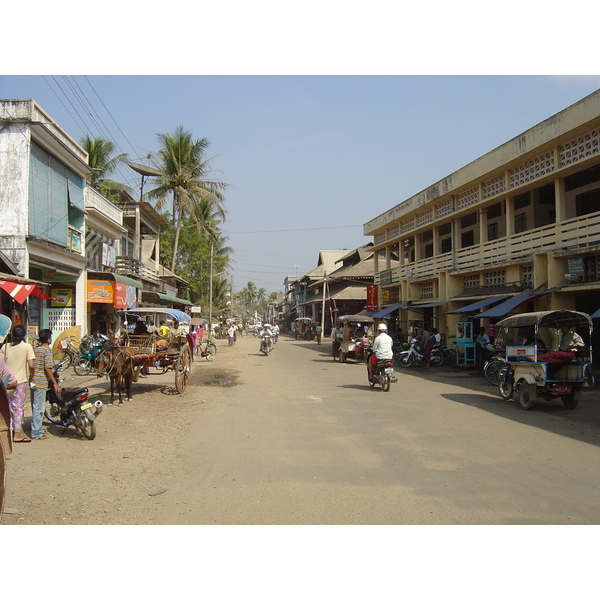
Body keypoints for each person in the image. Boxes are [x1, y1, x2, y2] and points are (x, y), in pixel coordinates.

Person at [1, 324, 35, 442]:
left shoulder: (5, 347)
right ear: (24, 335)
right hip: (20, 381)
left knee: (6, 406)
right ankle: (17, 434)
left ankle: (6, 431)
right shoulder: (27, 347)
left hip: (6, 382)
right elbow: (31, 365)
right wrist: (32, 376)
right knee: (18, 407)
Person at [30, 329, 61, 440]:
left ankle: (38, 429)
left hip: (34, 381)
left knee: (35, 407)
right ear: (48, 339)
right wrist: (54, 383)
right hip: (41, 382)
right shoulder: (47, 350)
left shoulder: (37, 350)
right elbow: (48, 368)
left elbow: (32, 365)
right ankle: (36, 433)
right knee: (39, 408)